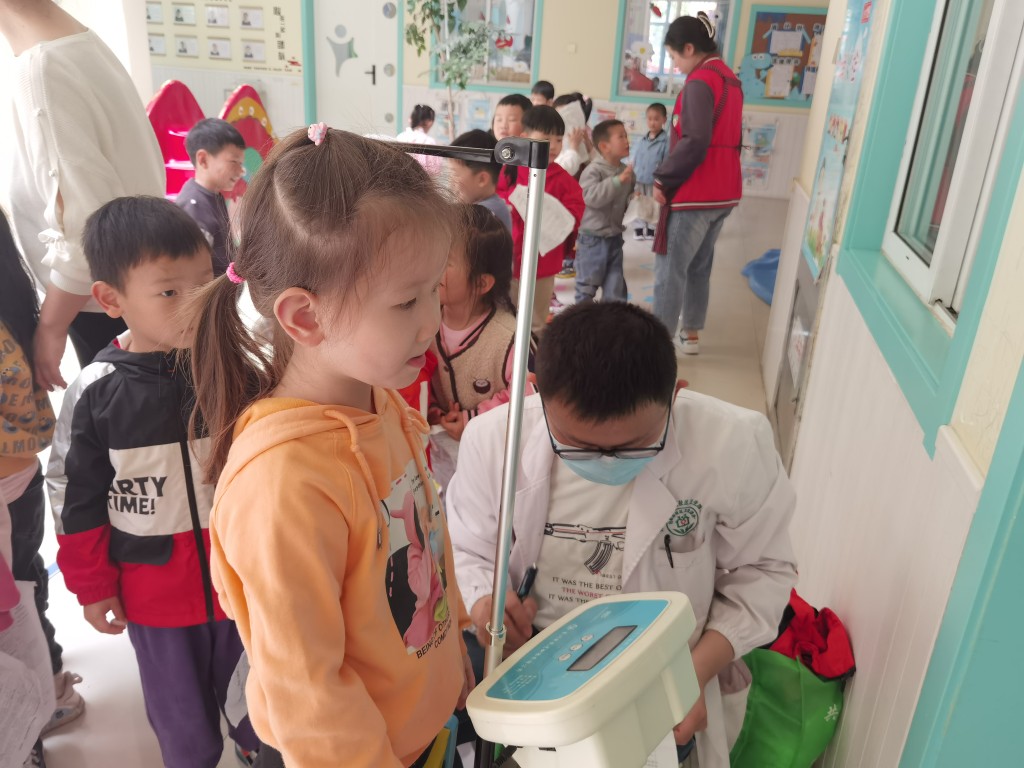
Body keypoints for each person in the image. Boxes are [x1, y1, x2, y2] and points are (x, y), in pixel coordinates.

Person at [188, 125, 473, 768]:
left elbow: (426, 539)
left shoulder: (379, 398)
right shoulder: (282, 485)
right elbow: (307, 691)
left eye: (434, 290)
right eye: (406, 302)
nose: (431, 322)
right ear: (305, 317)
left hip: (425, 731)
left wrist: (453, 649)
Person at [447, 301, 797, 768]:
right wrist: (485, 603)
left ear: (676, 395)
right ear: (536, 392)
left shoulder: (731, 443)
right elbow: (465, 548)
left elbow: (764, 572)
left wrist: (690, 675)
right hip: (531, 655)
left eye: (634, 446)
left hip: (658, 666)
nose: (606, 462)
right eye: (579, 446)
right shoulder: (493, 441)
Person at [46, 197, 259, 768]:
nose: (195, 303)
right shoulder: (96, 393)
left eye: (205, 282)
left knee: (261, 718)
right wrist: (93, 585)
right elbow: (73, 498)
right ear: (111, 300)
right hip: (155, 600)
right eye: (168, 292)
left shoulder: (238, 368)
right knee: (185, 734)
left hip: (243, 587)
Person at [1, 0, 166, 387]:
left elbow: (86, 238)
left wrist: (51, 328)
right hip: (135, 288)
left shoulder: (42, 69)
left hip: (103, 304)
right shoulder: (78, 42)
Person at [0, 210, 64, 767]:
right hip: (18, 479)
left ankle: (35, 718)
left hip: (10, 484)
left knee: (20, 596)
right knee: (25, 587)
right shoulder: (14, 301)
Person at [652, 12, 743, 356]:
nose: (674, 64)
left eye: (674, 56)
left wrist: (663, 177)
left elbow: (695, 141)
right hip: (724, 191)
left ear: (689, 48)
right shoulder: (730, 78)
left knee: (671, 270)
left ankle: (658, 345)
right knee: (699, 266)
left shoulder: (700, 81)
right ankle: (690, 334)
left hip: (696, 192)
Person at [428, 205, 533, 491]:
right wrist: (433, 409)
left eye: (445, 260)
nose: (431, 264)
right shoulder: (426, 320)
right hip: (444, 450)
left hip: (494, 456)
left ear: (482, 282)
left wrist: (472, 420)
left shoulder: (508, 337)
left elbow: (525, 397)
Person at [508, 106, 584, 337]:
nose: (553, 146)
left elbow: (576, 210)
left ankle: (533, 358)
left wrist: (553, 212)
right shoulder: (511, 170)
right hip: (509, 259)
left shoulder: (562, 178)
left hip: (543, 263)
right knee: (507, 316)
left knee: (536, 319)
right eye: (546, 139)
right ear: (524, 138)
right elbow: (499, 197)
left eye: (559, 140)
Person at [177, 118, 247, 277]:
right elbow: (194, 273)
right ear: (203, 159)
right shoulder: (193, 206)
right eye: (234, 162)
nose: (240, 172)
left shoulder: (214, 196)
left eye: (241, 164)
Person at [576, 120, 635, 303]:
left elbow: (625, 202)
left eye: (626, 136)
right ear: (604, 146)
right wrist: (617, 182)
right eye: (621, 137)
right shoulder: (593, 170)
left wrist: (634, 199)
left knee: (615, 290)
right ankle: (581, 320)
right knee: (587, 287)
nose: (627, 141)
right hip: (592, 239)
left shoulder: (626, 171)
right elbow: (590, 197)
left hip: (615, 237)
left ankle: (612, 320)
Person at [446, 130, 512, 233]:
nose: (450, 181)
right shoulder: (495, 206)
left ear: (482, 179)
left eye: (455, 174)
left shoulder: (484, 214)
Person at [632, 103, 670, 240]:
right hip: (639, 178)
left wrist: (662, 181)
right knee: (639, 202)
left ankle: (651, 229)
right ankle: (639, 228)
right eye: (649, 119)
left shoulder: (666, 142)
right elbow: (636, 157)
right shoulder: (642, 140)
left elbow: (667, 162)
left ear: (664, 120)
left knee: (654, 205)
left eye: (656, 119)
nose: (652, 122)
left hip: (654, 181)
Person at [396, 104, 442, 175]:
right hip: (421, 180)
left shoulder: (400, 137)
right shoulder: (429, 142)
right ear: (429, 122)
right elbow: (434, 171)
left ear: (410, 119)